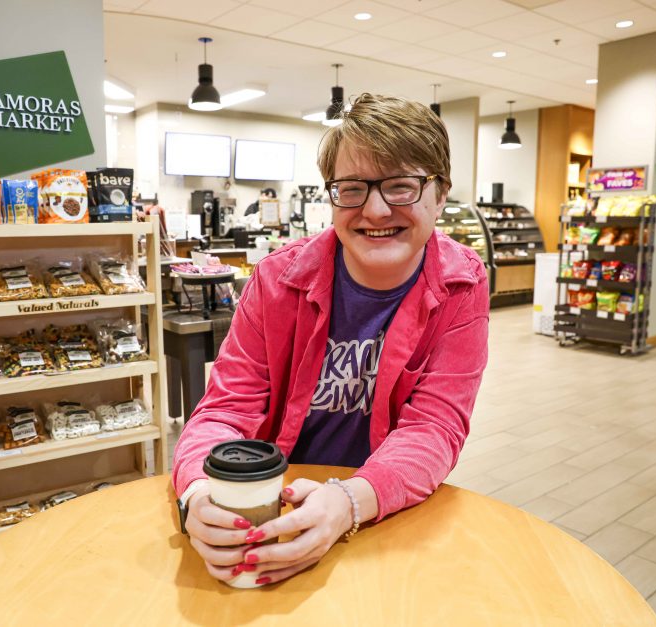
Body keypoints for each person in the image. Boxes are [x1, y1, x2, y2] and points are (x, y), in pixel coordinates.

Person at [172, 93, 490, 585]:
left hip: (384, 508)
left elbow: (435, 425)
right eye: (352, 188)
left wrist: (347, 501)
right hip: (269, 508)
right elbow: (224, 410)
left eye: (402, 187)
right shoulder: (277, 279)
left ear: (440, 194)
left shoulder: (461, 284)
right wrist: (197, 495)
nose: (376, 210)